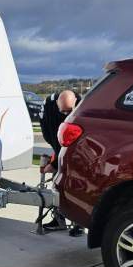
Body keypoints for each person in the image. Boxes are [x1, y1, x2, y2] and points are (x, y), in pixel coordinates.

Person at [40, 89, 83, 237]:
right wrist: (55, 160)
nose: (66, 114)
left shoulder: (82, 105)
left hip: (77, 155)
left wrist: (52, 165)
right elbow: (51, 136)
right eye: (63, 112)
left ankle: (80, 224)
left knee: (77, 191)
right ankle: (59, 220)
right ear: (58, 105)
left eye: (69, 111)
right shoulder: (49, 109)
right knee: (57, 187)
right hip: (60, 150)